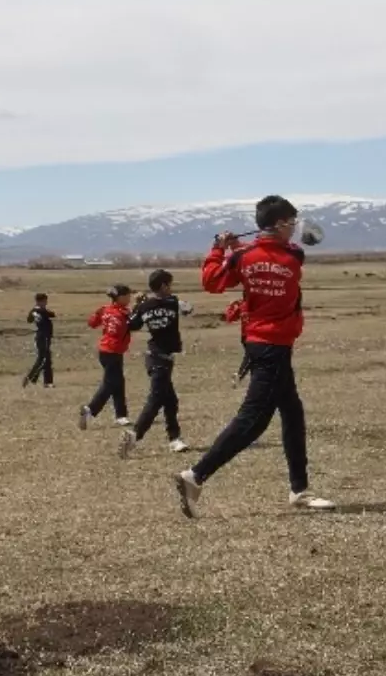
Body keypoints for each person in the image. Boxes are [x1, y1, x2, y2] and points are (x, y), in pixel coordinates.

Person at [173, 195, 336, 518]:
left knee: (292, 413)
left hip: (264, 343)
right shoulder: (294, 254)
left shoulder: (244, 257)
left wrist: (221, 248)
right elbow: (277, 258)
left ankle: (299, 489)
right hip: (271, 345)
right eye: (291, 221)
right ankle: (195, 475)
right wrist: (232, 249)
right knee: (254, 420)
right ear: (278, 224)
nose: (294, 227)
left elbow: (213, 282)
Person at [118, 270, 194, 458]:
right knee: (157, 399)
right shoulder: (166, 303)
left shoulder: (154, 305)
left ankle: (174, 439)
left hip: (163, 358)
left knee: (170, 401)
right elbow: (190, 309)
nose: (172, 287)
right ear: (163, 286)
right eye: (170, 284)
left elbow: (132, 325)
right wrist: (139, 306)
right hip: (156, 358)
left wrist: (140, 306)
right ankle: (134, 435)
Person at [79, 284, 136, 429]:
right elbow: (133, 324)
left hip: (107, 351)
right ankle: (90, 410)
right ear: (120, 297)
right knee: (110, 384)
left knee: (118, 382)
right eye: (128, 296)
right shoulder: (123, 313)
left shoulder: (105, 310)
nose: (130, 298)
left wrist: (99, 314)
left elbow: (92, 323)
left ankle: (121, 415)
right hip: (111, 352)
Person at [23, 292, 56, 389]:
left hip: (42, 337)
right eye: (45, 301)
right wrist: (42, 311)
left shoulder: (35, 311)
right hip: (43, 337)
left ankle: (35, 379)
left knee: (45, 359)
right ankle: (31, 378)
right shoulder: (40, 311)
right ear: (40, 301)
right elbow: (52, 314)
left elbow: (29, 319)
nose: (46, 303)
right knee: (44, 359)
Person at [223, 298, 251, 386]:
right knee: (251, 357)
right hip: (251, 336)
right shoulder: (257, 305)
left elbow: (230, 318)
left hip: (246, 336)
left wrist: (232, 306)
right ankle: (239, 376)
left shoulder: (242, 305)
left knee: (253, 357)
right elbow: (230, 318)